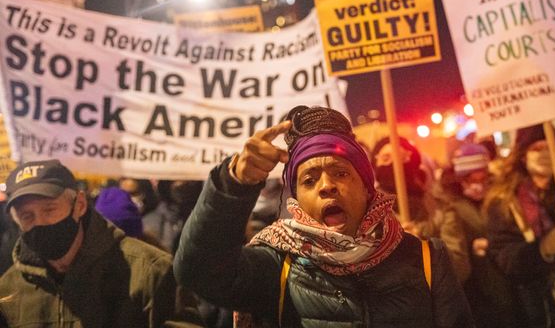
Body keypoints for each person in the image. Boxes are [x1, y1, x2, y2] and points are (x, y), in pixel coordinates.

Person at [174, 105, 473, 327]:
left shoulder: (426, 258)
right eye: (309, 180)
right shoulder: (279, 266)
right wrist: (234, 184)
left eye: (341, 173)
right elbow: (197, 271)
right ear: (298, 200)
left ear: (367, 186)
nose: (327, 185)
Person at [0, 159, 203, 327]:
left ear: (79, 205)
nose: (40, 223)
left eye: (49, 210)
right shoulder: (9, 291)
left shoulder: (151, 271)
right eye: (27, 216)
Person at [483, 124, 555, 328]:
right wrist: (543, 249)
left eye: (550, 147)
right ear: (522, 156)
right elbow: (504, 256)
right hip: (537, 310)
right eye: (536, 149)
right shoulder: (503, 201)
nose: (545, 153)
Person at [440, 143, 517, 328]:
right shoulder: (451, 207)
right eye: (471, 179)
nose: (478, 185)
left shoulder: (500, 198)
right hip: (478, 291)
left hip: (509, 281)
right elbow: (454, 253)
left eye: (482, 178)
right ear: (460, 179)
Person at [372, 136, 438, 238]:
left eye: (401, 158)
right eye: (385, 158)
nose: (393, 164)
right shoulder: (367, 211)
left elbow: (453, 250)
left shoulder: (436, 206)